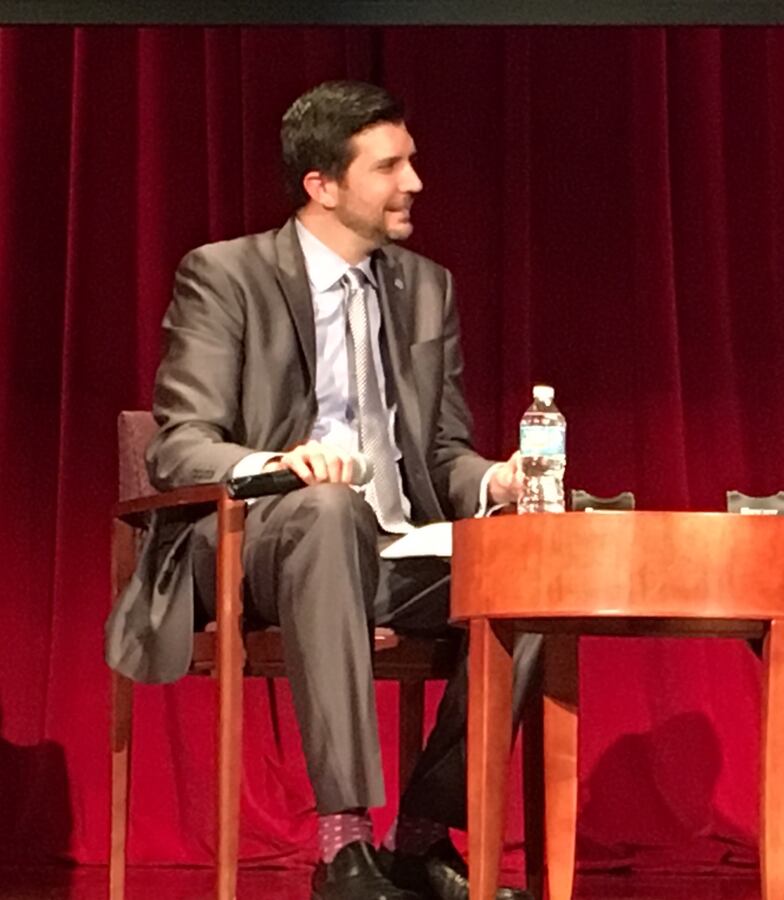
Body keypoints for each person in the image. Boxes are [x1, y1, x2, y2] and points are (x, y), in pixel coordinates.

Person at [106, 81, 540, 900]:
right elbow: (180, 445)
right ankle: (344, 844)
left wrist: (496, 479)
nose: (413, 183)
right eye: (390, 166)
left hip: (389, 544)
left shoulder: (426, 287)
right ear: (323, 185)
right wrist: (281, 463)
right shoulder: (225, 274)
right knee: (329, 507)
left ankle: (420, 835)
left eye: (410, 161)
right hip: (252, 540)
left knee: (538, 566)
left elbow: (440, 452)